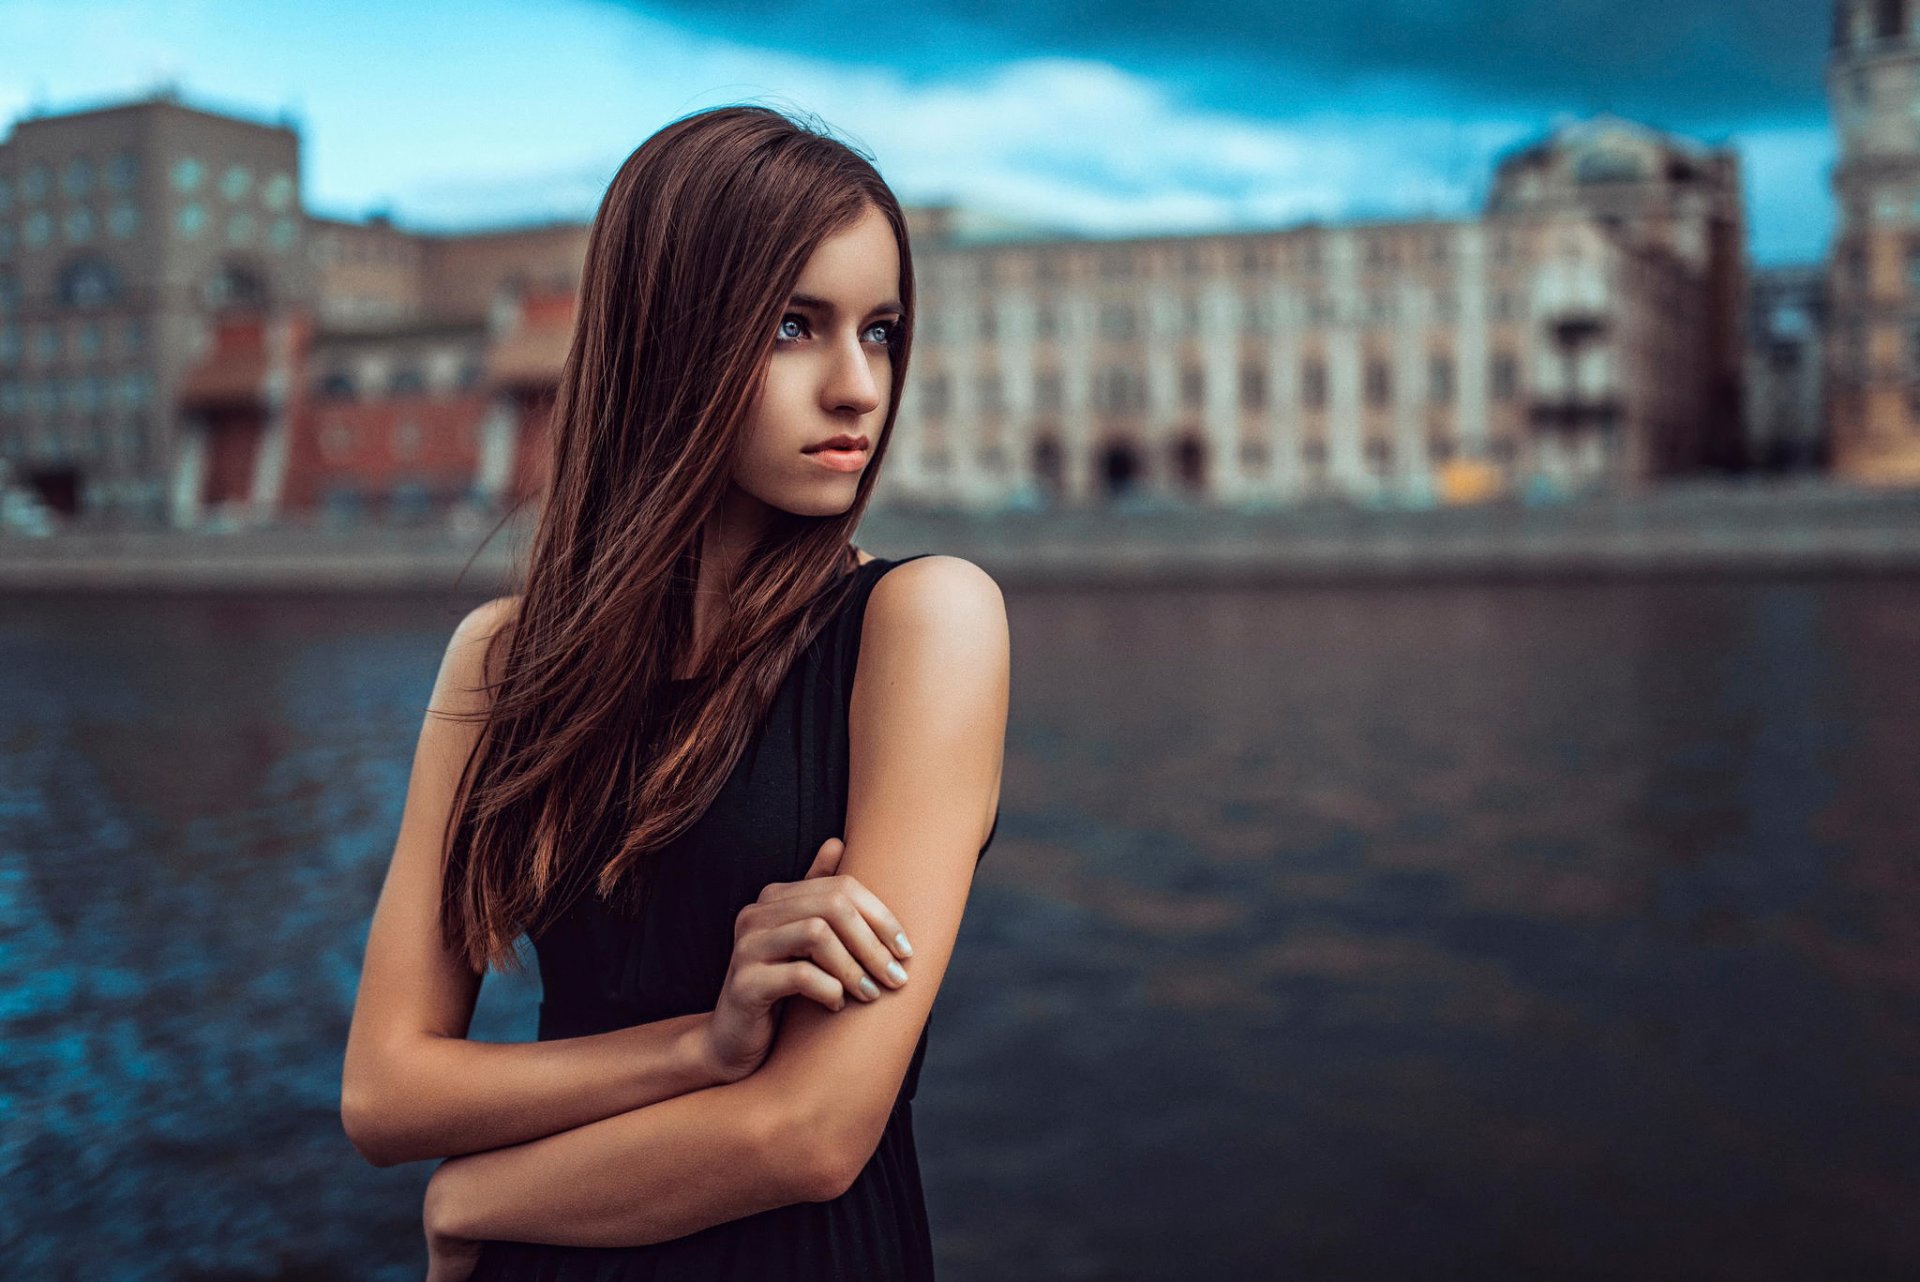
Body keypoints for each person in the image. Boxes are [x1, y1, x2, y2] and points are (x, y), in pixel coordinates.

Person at [339, 104, 1009, 1281]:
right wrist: (700, 1047)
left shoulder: (926, 622)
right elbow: (388, 1090)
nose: (859, 386)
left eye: (883, 331)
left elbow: (809, 1133)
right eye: (797, 326)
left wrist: (475, 1203)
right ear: (666, 337)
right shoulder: (499, 664)